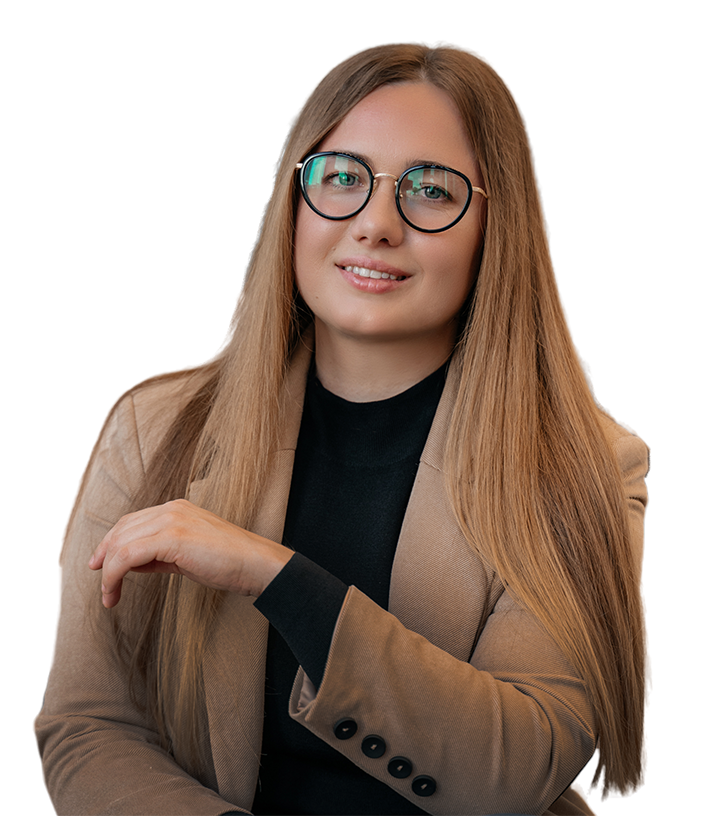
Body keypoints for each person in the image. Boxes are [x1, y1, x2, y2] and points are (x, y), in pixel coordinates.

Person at [32, 40, 652, 816]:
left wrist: (275, 577)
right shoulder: (151, 430)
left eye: (431, 190)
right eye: (342, 179)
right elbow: (88, 725)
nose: (376, 224)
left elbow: (515, 769)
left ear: (498, 226)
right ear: (294, 202)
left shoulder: (588, 464)